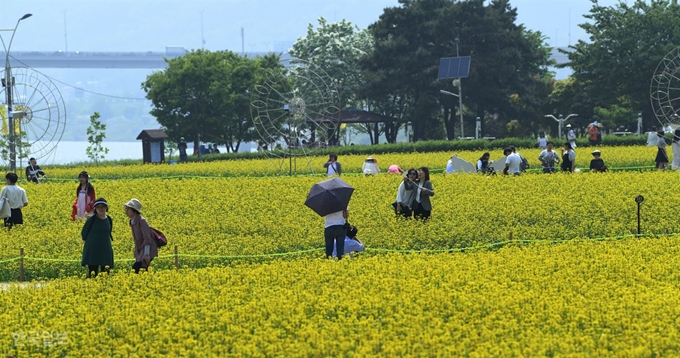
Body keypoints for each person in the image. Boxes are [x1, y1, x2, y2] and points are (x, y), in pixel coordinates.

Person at [81, 198, 114, 278]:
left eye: (103, 206)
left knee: (105, 273)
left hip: (105, 249)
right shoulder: (91, 219)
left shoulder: (109, 219)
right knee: (93, 273)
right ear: (95, 209)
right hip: (93, 250)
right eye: (98, 207)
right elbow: (84, 233)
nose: (101, 209)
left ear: (106, 208)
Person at [124, 198, 158, 273]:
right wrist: (137, 251)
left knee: (137, 269)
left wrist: (146, 254)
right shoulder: (132, 221)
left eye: (128, 209)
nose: (126, 211)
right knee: (139, 270)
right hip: (140, 249)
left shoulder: (142, 221)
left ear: (134, 210)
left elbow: (147, 238)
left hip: (148, 249)